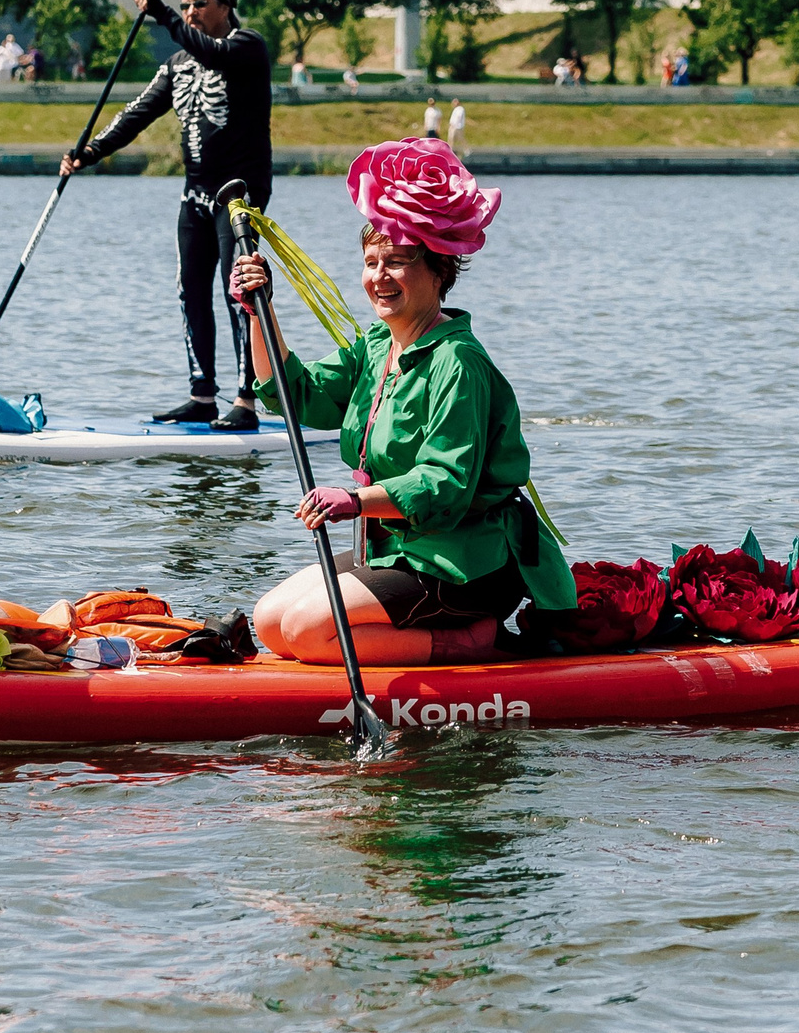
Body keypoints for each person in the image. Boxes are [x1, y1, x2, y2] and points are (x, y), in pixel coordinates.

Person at [233, 139, 575, 665]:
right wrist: (260, 311)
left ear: (439, 271)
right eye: (371, 262)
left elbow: (445, 487)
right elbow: (292, 393)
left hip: (462, 564)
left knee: (305, 631)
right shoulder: (376, 346)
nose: (378, 277)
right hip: (396, 549)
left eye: (397, 262)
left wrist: (353, 500)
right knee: (271, 622)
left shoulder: (458, 362)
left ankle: (470, 640)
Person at [61, 0, 274, 428]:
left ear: (225, 6)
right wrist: (91, 151)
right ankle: (202, 395)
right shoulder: (178, 63)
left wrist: (163, 15)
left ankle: (246, 402)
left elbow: (211, 52)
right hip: (195, 193)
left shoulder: (246, 48)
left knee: (238, 292)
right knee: (190, 288)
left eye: (199, 4)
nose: (191, 12)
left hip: (239, 195)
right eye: (185, 5)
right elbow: (137, 113)